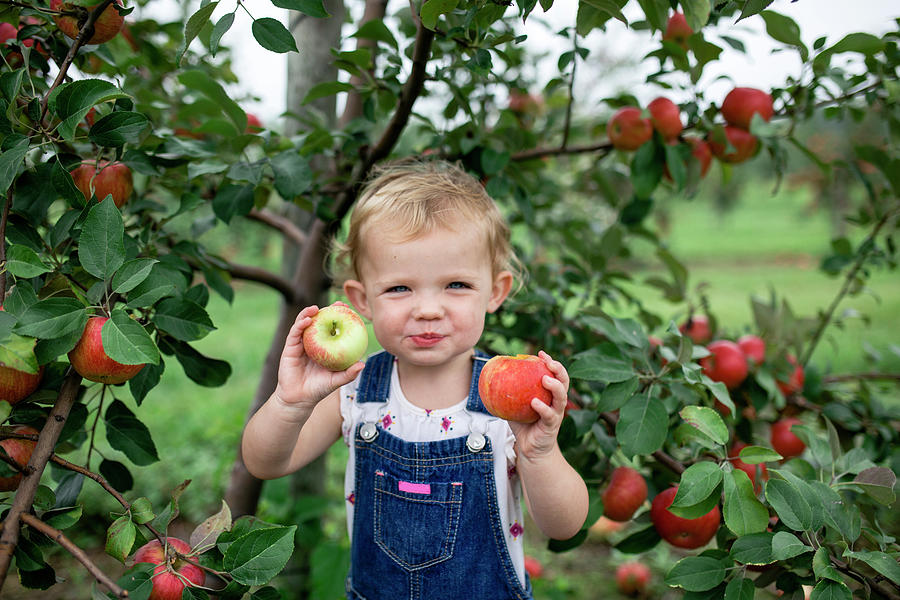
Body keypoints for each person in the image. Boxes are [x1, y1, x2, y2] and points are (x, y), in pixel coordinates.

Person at [241, 160, 589, 599]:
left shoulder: (509, 408)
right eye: (400, 289)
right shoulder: (355, 392)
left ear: (495, 292)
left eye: (456, 285)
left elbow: (564, 526)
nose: (427, 309)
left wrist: (540, 454)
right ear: (361, 299)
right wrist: (290, 404)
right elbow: (265, 463)